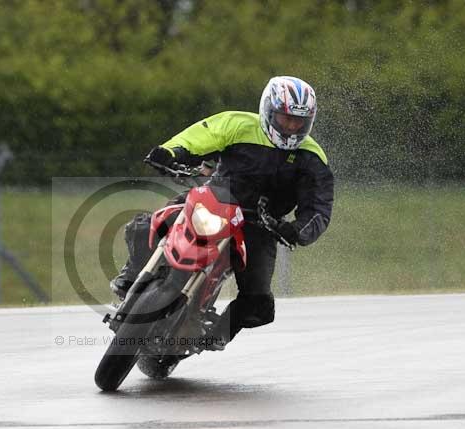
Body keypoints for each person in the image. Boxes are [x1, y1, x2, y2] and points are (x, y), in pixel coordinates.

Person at [111, 76, 334, 348]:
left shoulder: (313, 157)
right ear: (268, 110)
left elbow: (319, 208)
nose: (291, 127)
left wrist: (296, 230)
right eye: (285, 118)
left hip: (260, 225)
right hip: (213, 200)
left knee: (258, 301)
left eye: (299, 122)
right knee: (145, 226)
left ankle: (216, 336)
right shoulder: (236, 123)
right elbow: (200, 136)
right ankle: (131, 276)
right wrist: (170, 152)